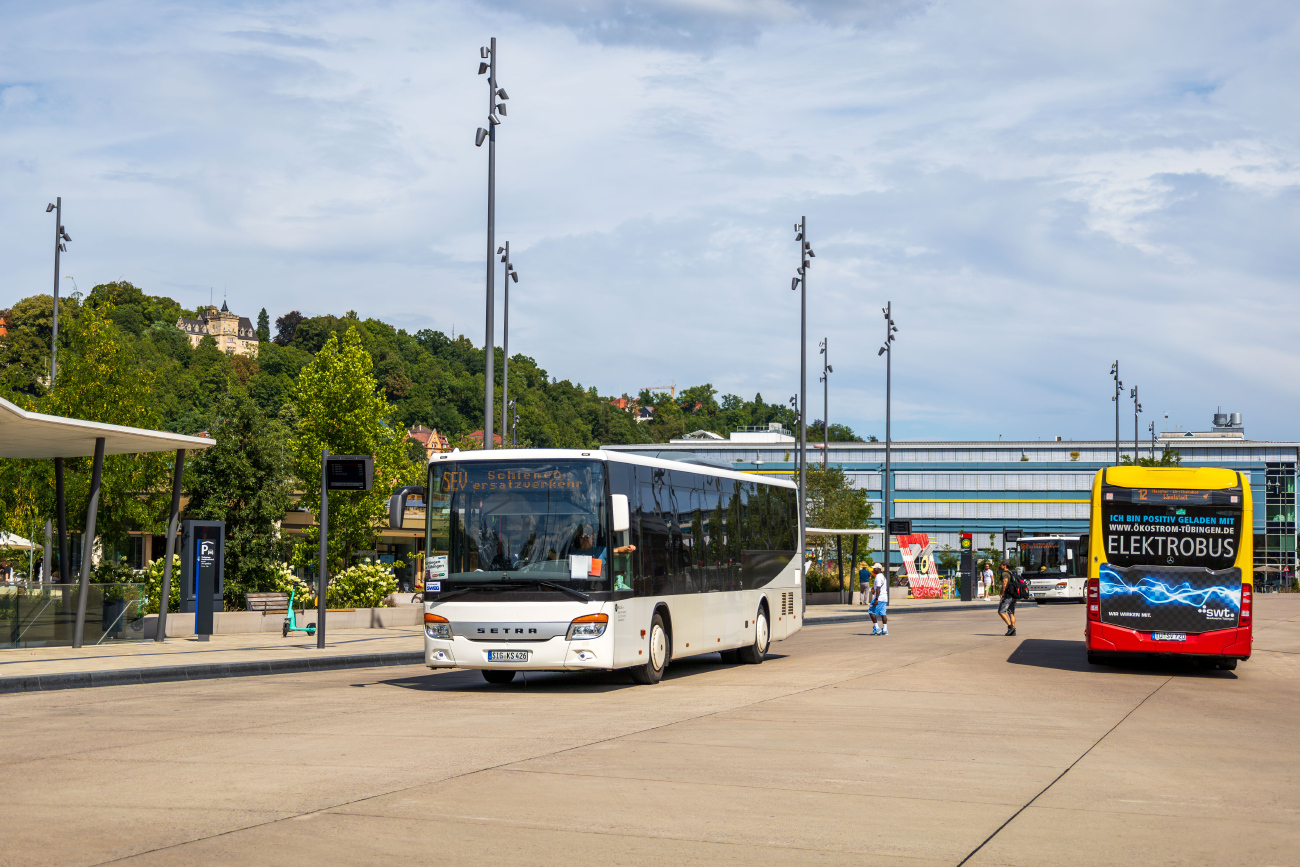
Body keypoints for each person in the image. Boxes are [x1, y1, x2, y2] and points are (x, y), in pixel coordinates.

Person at [998, 562, 1019, 636]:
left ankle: (1011, 627)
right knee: (1011, 613)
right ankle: (1013, 631)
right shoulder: (1011, 572)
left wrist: (1001, 593)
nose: (1000, 566)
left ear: (1004, 565)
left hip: (1008, 595)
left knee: (1001, 611)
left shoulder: (1005, 573)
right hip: (1014, 595)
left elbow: (1004, 584)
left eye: (1001, 565)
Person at [868, 563, 888, 635]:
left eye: (875, 568)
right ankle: (885, 629)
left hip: (879, 598)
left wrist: (876, 599)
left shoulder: (878, 577)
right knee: (883, 614)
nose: (873, 569)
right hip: (884, 598)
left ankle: (876, 628)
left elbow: (878, 588)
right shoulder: (883, 576)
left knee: (871, 612)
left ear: (878, 569)